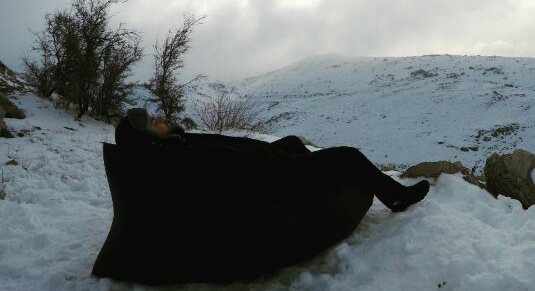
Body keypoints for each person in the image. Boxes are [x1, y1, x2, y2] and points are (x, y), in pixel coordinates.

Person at [114, 108, 430, 212]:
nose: (160, 118)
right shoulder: (177, 152)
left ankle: (321, 188)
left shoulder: (176, 144)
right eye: (154, 122)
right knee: (350, 155)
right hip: (270, 179)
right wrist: (272, 162)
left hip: (265, 166)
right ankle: (396, 197)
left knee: (292, 141)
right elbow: (223, 174)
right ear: (149, 137)